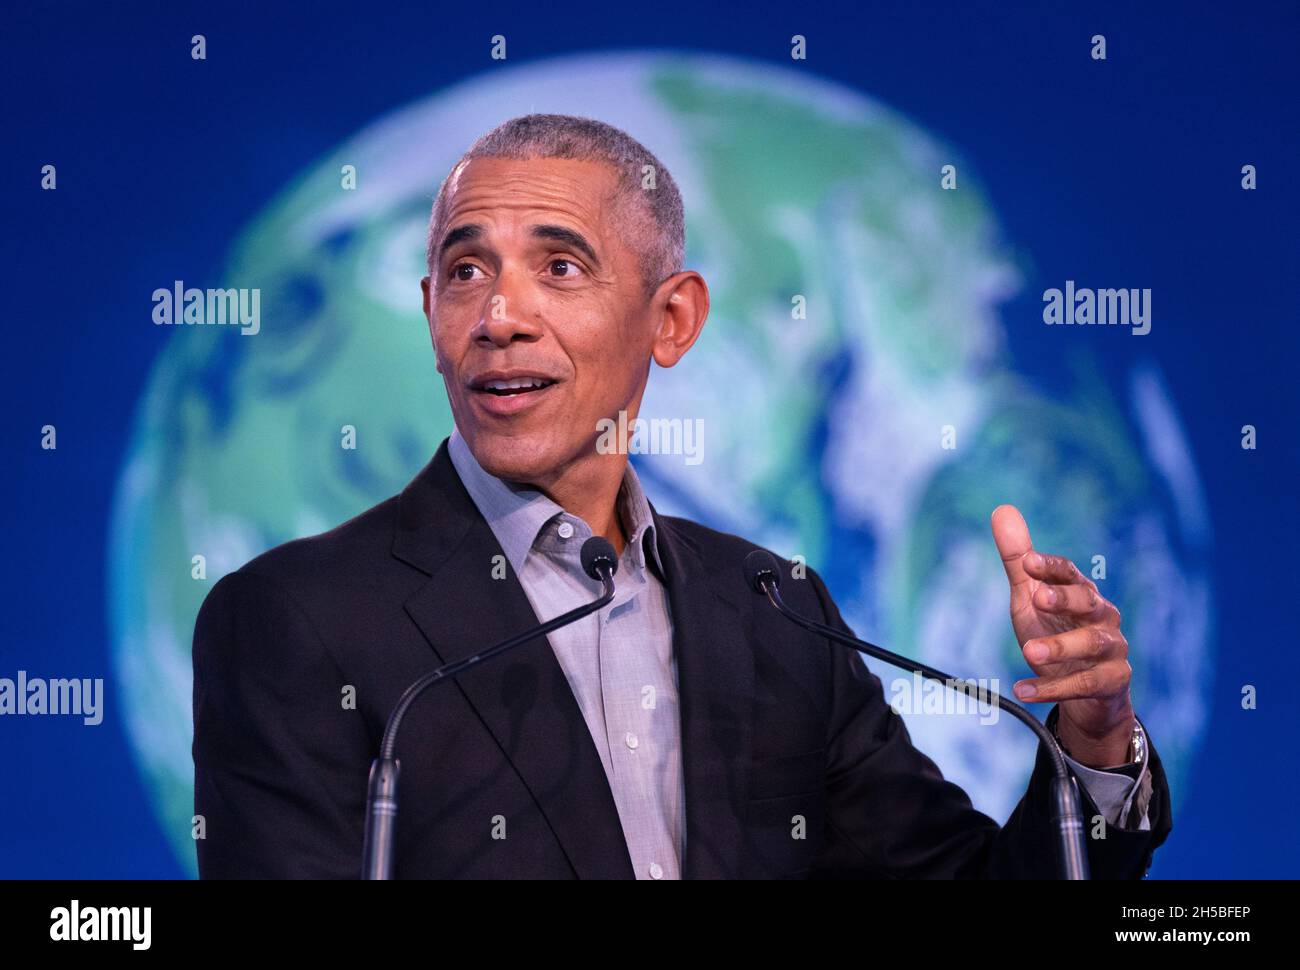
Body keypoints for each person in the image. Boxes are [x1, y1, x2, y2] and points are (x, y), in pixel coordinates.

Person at [192, 114, 1170, 879]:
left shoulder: (776, 610)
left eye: (559, 266)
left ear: (672, 318)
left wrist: (1092, 746)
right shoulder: (295, 620)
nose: (498, 317)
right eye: (463, 271)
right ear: (430, 315)